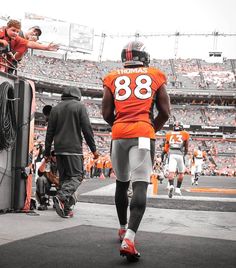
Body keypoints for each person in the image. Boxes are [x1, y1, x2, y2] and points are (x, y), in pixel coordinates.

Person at [102, 40, 170, 262]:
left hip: (119, 134)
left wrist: (121, 128)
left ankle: (122, 227)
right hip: (142, 134)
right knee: (140, 183)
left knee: (122, 183)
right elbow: (165, 112)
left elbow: (106, 112)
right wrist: (148, 129)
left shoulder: (112, 77)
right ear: (145, 57)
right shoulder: (155, 75)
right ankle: (129, 238)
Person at [44, 87, 99, 218]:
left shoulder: (56, 109)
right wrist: (94, 150)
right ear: (77, 96)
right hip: (73, 149)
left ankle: (66, 209)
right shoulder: (79, 107)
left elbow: (49, 133)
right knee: (77, 177)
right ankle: (61, 197)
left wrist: (47, 153)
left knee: (65, 180)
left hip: (59, 150)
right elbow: (87, 130)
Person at [164, 122, 190, 198]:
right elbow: (186, 146)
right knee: (181, 173)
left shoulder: (168, 133)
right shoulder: (185, 133)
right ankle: (178, 189)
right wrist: (185, 153)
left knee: (171, 172)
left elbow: (166, 148)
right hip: (180, 154)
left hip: (171, 154)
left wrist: (165, 153)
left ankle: (171, 185)